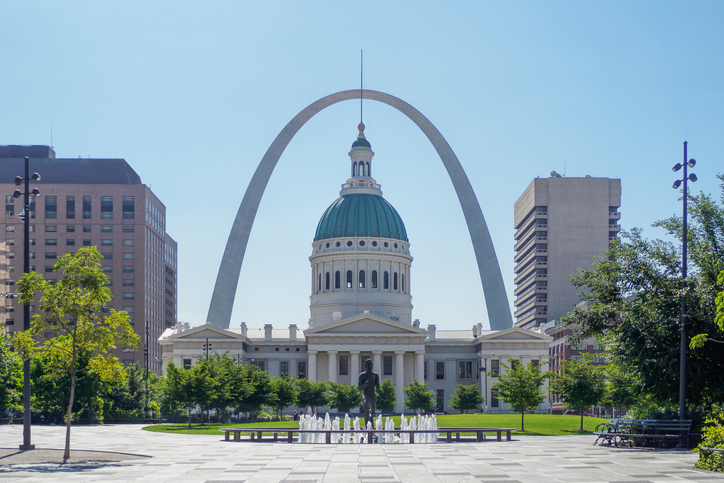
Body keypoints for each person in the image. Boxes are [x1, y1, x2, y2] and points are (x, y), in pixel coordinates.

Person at [357, 359, 380, 427]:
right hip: (366, 395)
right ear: (365, 366)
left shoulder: (375, 375)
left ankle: (371, 426)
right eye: (368, 364)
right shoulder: (362, 375)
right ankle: (367, 427)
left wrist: (379, 390)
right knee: (366, 410)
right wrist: (365, 385)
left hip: (372, 395)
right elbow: (359, 388)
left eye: (371, 364)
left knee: (372, 412)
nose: (370, 366)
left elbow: (378, 386)